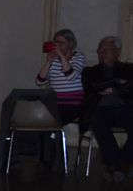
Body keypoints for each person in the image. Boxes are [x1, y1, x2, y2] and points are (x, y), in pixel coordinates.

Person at [82, 36, 133, 177]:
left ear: (117, 52)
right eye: (100, 50)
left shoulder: (129, 69)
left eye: (106, 50)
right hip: (100, 109)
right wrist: (118, 83)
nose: (101, 53)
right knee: (98, 123)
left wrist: (115, 90)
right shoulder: (90, 71)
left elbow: (131, 88)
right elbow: (91, 88)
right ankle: (120, 164)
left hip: (124, 108)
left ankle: (120, 163)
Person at [36, 28, 85, 126]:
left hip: (73, 104)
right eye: (56, 42)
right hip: (55, 103)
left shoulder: (78, 57)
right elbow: (39, 82)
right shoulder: (55, 60)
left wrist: (61, 56)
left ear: (70, 44)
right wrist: (49, 61)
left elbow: (71, 76)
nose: (57, 45)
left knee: (51, 122)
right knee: (37, 117)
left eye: (61, 42)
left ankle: (52, 139)